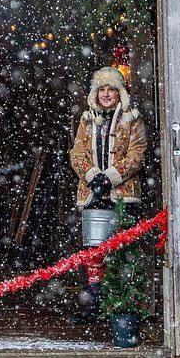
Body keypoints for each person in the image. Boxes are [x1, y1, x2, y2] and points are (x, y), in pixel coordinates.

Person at [69, 65, 148, 319]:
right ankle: (94, 301)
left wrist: (110, 177)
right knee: (94, 249)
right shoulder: (87, 119)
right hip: (92, 192)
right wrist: (93, 176)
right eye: (101, 89)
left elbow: (137, 154)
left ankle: (120, 306)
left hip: (121, 193)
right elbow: (77, 153)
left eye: (111, 89)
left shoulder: (132, 118)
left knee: (121, 249)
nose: (105, 94)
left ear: (119, 92)